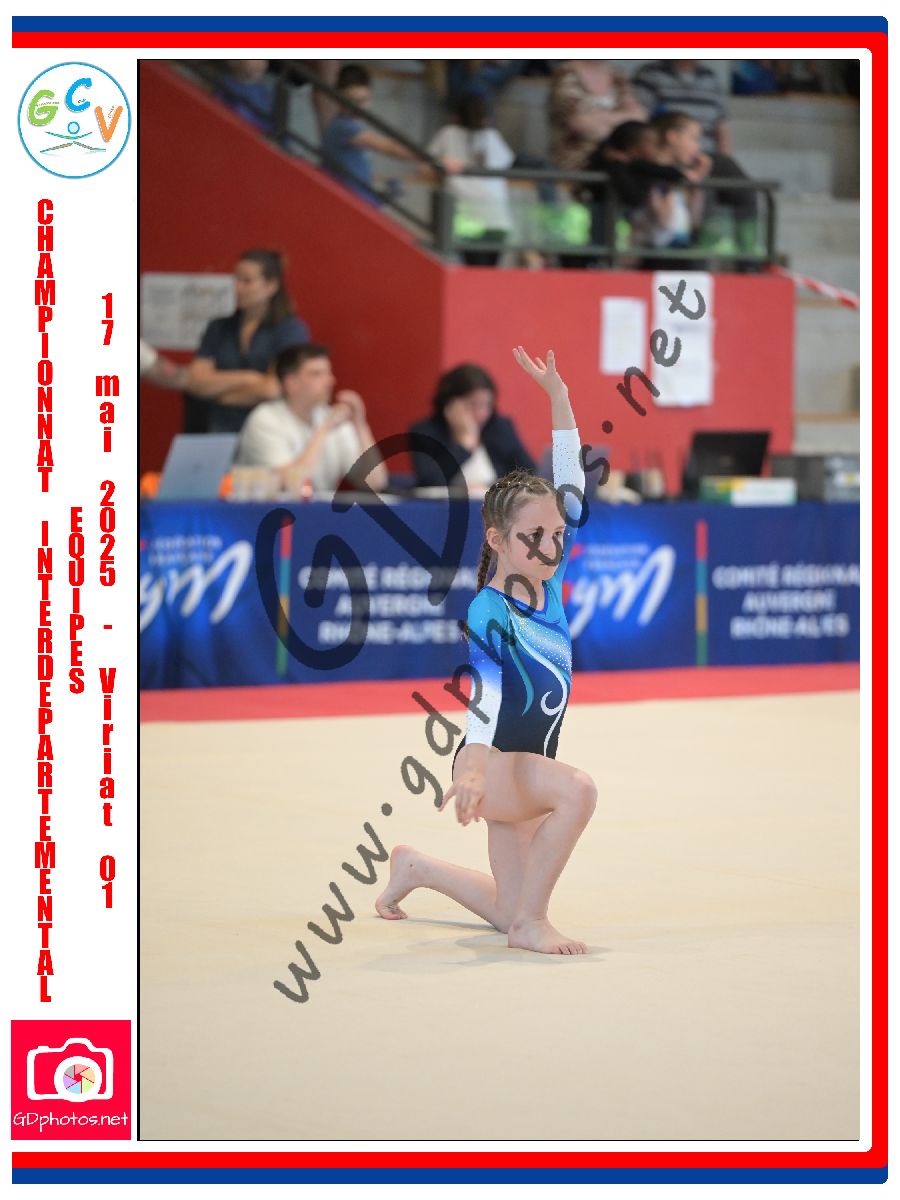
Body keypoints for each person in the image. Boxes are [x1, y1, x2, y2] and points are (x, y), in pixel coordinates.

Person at [375, 346, 597, 955]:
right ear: (498, 539)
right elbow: (486, 697)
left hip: (528, 764)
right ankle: (532, 925)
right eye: (535, 536)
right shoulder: (488, 610)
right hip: (494, 766)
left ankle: (417, 867)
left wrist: (559, 398)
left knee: (505, 906)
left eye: (558, 534)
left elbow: (571, 480)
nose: (551, 546)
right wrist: (472, 771)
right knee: (578, 790)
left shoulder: (548, 580)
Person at [235, 343, 389, 496]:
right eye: (317, 374)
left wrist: (360, 424)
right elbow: (290, 484)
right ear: (291, 384)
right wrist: (323, 430)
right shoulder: (265, 420)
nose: (330, 381)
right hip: (265, 510)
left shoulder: (330, 418)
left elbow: (375, 482)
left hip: (317, 510)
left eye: (328, 373)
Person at [183, 249, 310, 435]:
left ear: (271, 286)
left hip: (268, 431)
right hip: (217, 428)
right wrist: (249, 377)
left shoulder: (290, 331)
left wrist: (214, 394)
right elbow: (194, 381)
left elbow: (271, 389)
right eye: (236, 279)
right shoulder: (219, 327)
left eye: (247, 281)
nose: (237, 287)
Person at [321, 63, 460, 206]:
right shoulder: (342, 127)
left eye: (363, 100)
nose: (357, 107)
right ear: (338, 97)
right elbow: (388, 147)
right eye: (351, 101)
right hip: (348, 205)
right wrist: (434, 159)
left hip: (359, 202)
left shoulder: (349, 125)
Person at [408, 363, 535, 496]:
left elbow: (530, 474)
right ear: (449, 404)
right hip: (444, 507)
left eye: (487, 405)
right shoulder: (424, 432)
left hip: (495, 505)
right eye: (473, 404)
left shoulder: (500, 428)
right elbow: (429, 480)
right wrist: (465, 445)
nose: (481, 413)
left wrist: (495, 487)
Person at [427, 94, 515, 265]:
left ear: (456, 116)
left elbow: (425, 163)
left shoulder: (448, 133)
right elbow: (507, 163)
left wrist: (443, 164)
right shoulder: (492, 136)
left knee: (474, 267)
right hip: (498, 217)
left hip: (467, 216)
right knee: (487, 272)